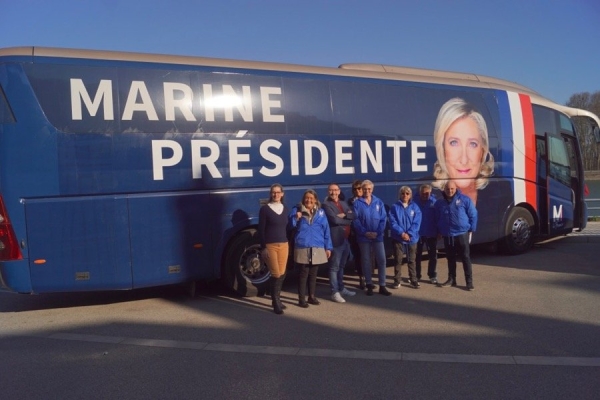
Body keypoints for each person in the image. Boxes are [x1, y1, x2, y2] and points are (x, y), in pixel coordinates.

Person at [431, 97, 494, 205]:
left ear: (482, 150)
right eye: (454, 143)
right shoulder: (427, 197)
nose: (464, 160)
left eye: (472, 144)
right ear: (442, 148)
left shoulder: (500, 194)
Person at [290, 189, 333, 307]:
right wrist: (296, 218)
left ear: (315, 200)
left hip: (317, 245)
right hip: (303, 245)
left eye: (311, 198)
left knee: (314, 273)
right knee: (303, 273)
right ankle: (301, 299)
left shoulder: (321, 212)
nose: (309, 200)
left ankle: (312, 296)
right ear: (304, 199)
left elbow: (326, 230)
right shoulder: (297, 210)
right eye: (307, 198)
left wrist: (328, 247)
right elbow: (291, 225)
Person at [434, 180, 478, 291]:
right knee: (450, 258)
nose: (450, 191)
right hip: (448, 235)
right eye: (448, 189)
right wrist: (439, 230)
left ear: (455, 189)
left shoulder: (464, 200)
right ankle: (452, 279)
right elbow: (437, 218)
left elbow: (473, 214)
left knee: (465, 258)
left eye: (452, 189)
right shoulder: (439, 203)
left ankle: (469, 282)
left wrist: (472, 229)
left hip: (462, 234)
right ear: (444, 189)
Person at [352, 180, 391, 296]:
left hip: (377, 236)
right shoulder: (357, 203)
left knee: (382, 259)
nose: (367, 191)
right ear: (362, 190)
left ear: (372, 190)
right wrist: (365, 232)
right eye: (365, 189)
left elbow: (383, 219)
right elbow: (355, 220)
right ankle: (369, 284)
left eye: (369, 189)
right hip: (363, 237)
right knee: (366, 260)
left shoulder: (378, 202)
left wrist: (377, 232)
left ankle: (382, 285)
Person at [258, 183, 290, 315]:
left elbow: (288, 227)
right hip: (271, 245)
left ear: (282, 194)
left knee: (282, 273)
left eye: (278, 192)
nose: (276, 194)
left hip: (284, 244)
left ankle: (277, 298)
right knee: (275, 273)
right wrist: (263, 247)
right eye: (273, 192)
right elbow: (261, 230)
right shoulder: (265, 209)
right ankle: (275, 301)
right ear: (271, 194)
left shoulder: (285, 208)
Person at [322, 183, 356, 303]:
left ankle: (341, 288)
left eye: (335, 190)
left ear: (339, 191)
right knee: (334, 267)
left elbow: (354, 214)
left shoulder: (343, 203)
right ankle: (334, 291)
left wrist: (346, 215)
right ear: (328, 192)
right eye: (331, 190)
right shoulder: (326, 205)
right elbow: (334, 220)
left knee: (342, 266)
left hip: (345, 239)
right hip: (335, 240)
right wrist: (348, 221)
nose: (333, 192)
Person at [389, 186, 422, 289]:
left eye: (407, 194)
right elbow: (392, 222)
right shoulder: (394, 207)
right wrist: (402, 233)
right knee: (398, 260)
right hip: (398, 238)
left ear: (410, 195)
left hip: (412, 238)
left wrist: (410, 234)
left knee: (411, 260)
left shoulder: (415, 207)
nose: (405, 196)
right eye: (403, 193)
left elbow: (417, 222)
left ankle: (413, 280)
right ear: (400, 195)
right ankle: (397, 280)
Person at [413, 184, 439, 284]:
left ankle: (432, 275)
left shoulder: (434, 202)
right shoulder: (414, 202)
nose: (425, 195)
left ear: (430, 193)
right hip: (418, 233)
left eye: (427, 193)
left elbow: (438, 218)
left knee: (432, 255)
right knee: (417, 256)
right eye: (423, 193)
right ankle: (417, 275)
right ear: (420, 193)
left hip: (431, 233)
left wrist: (439, 231)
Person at [347, 180, 366, 289]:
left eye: (359, 188)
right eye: (355, 189)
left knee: (367, 256)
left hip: (367, 233)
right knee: (358, 256)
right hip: (355, 233)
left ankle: (368, 279)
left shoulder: (368, 200)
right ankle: (361, 278)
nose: (357, 191)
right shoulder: (350, 202)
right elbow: (351, 216)